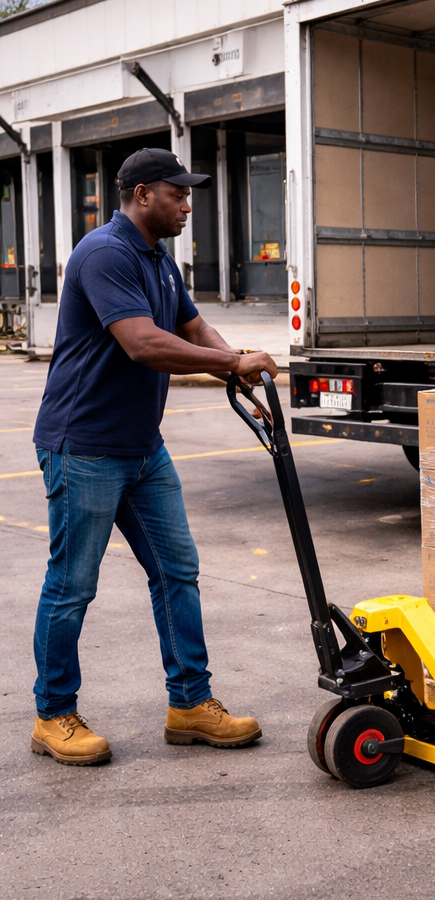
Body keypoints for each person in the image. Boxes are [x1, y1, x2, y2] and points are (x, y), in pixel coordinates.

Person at [30, 147, 278, 766]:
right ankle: (53, 714)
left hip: (143, 449)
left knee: (177, 571)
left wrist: (237, 369)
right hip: (83, 446)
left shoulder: (159, 260)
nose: (188, 204)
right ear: (143, 195)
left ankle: (190, 704)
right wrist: (232, 363)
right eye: (178, 194)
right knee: (72, 586)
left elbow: (192, 329)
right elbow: (142, 343)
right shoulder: (105, 253)